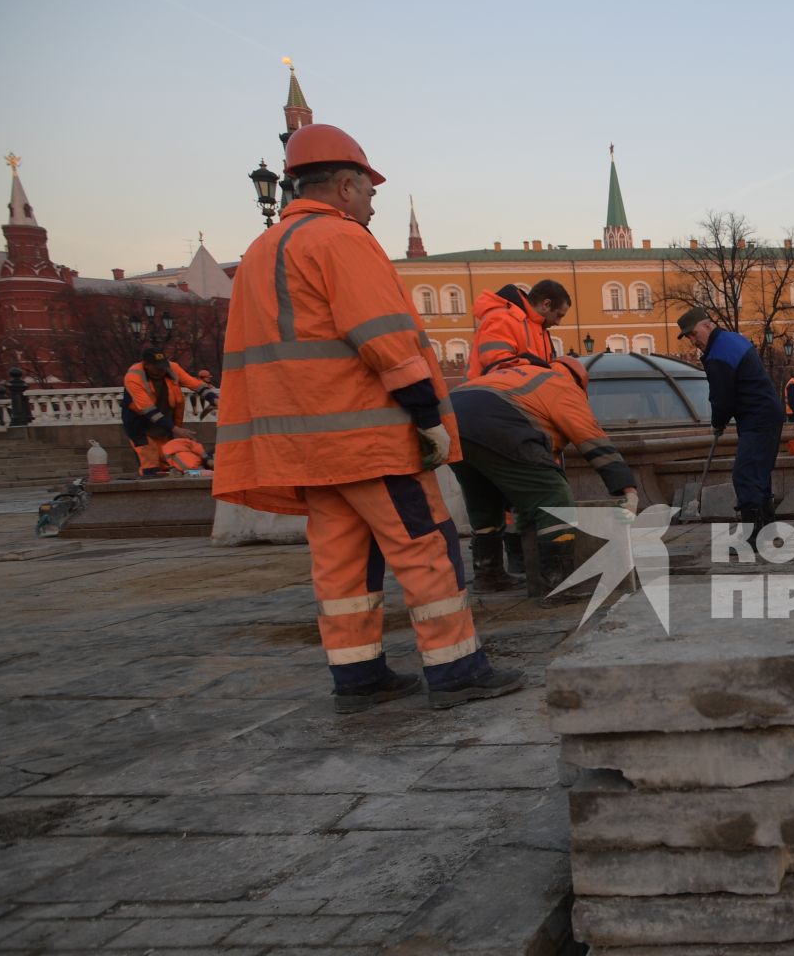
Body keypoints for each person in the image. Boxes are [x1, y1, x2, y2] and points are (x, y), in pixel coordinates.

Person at [213, 122, 523, 713]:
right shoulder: (341, 240)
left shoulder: (260, 253)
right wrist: (427, 413)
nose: (373, 201)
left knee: (340, 564)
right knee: (425, 547)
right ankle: (455, 668)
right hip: (367, 436)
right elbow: (382, 335)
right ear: (347, 184)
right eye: (371, 190)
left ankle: (358, 679)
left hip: (306, 447)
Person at [451, 351, 638, 593]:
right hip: (496, 420)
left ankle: (488, 574)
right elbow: (591, 438)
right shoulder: (561, 384)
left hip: (451, 419)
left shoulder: (517, 377)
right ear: (580, 381)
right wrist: (628, 489)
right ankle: (558, 583)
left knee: (483, 501)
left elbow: (531, 466)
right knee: (554, 497)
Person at [678, 306, 783, 530]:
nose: (692, 341)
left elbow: (722, 397)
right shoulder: (733, 339)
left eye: (694, 334)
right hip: (767, 414)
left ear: (707, 325)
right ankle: (767, 529)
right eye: (688, 337)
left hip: (757, 417)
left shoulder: (718, 354)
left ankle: (752, 535)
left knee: (745, 475)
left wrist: (718, 421)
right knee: (759, 473)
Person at [121, 346, 216, 477]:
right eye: (157, 367)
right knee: (150, 466)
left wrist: (214, 399)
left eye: (163, 366)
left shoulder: (172, 368)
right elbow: (150, 412)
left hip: (164, 426)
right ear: (147, 365)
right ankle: (150, 488)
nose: (162, 370)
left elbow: (195, 384)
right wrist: (176, 430)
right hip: (141, 428)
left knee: (169, 464)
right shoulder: (133, 377)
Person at [468, 281, 569, 380]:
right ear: (546, 304)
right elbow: (498, 366)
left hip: (510, 394)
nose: (558, 322)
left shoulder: (539, 328)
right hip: (486, 394)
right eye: (559, 315)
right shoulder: (502, 318)